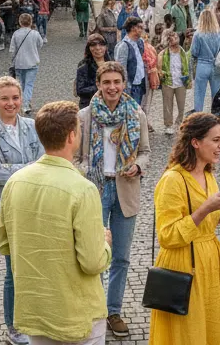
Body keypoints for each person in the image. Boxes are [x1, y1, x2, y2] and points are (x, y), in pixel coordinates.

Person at [0, 101, 113, 345]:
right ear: (72, 136)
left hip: (36, 310)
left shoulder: (15, 182)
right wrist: (104, 243)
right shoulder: (83, 189)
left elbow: (6, 244)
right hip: (77, 314)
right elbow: (93, 262)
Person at [150, 113, 220, 345]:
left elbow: (201, 210)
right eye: (216, 140)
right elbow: (167, 235)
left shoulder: (208, 174)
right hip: (183, 267)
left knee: (212, 329)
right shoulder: (173, 180)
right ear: (195, 142)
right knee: (188, 334)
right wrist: (206, 210)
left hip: (208, 265)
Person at [75, 62, 150, 338]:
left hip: (125, 189)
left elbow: (145, 151)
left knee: (121, 257)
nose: (112, 87)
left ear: (123, 83)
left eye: (117, 81)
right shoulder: (84, 116)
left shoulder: (136, 113)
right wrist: (85, 171)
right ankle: (94, 310)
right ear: (99, 84)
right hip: (95, 189)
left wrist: (138, 166)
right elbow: (75, 155)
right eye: (106, 82)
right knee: (94, 255)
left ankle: (113, 310)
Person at [0, 76, 45, 345]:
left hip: (35, 205)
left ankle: (37, 319)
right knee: (13, 269)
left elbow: (44, 159)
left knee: (37, 266)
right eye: (5, 98)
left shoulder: (32, 125)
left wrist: (23, 169)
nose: (11, 103)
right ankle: (14, 325)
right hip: (5, 208)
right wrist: (32, 169)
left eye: (15, 98)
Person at [191, 8, 220, 112]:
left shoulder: (198, 34)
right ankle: (216, 116)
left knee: (199, 93)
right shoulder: (219, 33)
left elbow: (194, 52)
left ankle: (198, 116)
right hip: (216, 65)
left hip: (202, 64)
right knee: (216, 94)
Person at [9, 13, 45, 115]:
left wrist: (12, 61)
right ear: (31, 22)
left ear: (20, 22)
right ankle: (25, 104)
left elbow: (12, 49)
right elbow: (40, 44)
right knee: (29, 84)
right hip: (32, 62)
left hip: (19, 62)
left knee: (21, 84)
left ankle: (23, 102)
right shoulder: (35, 34)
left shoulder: (16, 34)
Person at [159, 29, 191, 135]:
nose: (174, 38)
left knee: (181, 105)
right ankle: (168, 125)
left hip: (181, 82)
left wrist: (188, 80)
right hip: (168, 82)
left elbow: (187, 65)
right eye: (171, 37)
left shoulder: (182, 52)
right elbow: (159, 68)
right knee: (167, 105)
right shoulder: (163, 53)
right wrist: (162, 74)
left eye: (176, 36)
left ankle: (179, 123)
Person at [114, 17, 147, 105]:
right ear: (133, 28)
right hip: (131, 87)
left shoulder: (140, 42)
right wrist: (125, 90)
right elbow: (121, 69)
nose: (142, 29)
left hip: (140, 83)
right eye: (140, 27)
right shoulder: (123, 46)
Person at [76, 34, 112, 109]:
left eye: (101, 44)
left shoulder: (112, 64)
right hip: (89, 105)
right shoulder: (83, 67)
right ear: (88, 48)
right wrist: (100, 87)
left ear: (105, 47)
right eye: (93, 45)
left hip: (109, 104)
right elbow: (80, 90)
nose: (98, 48)